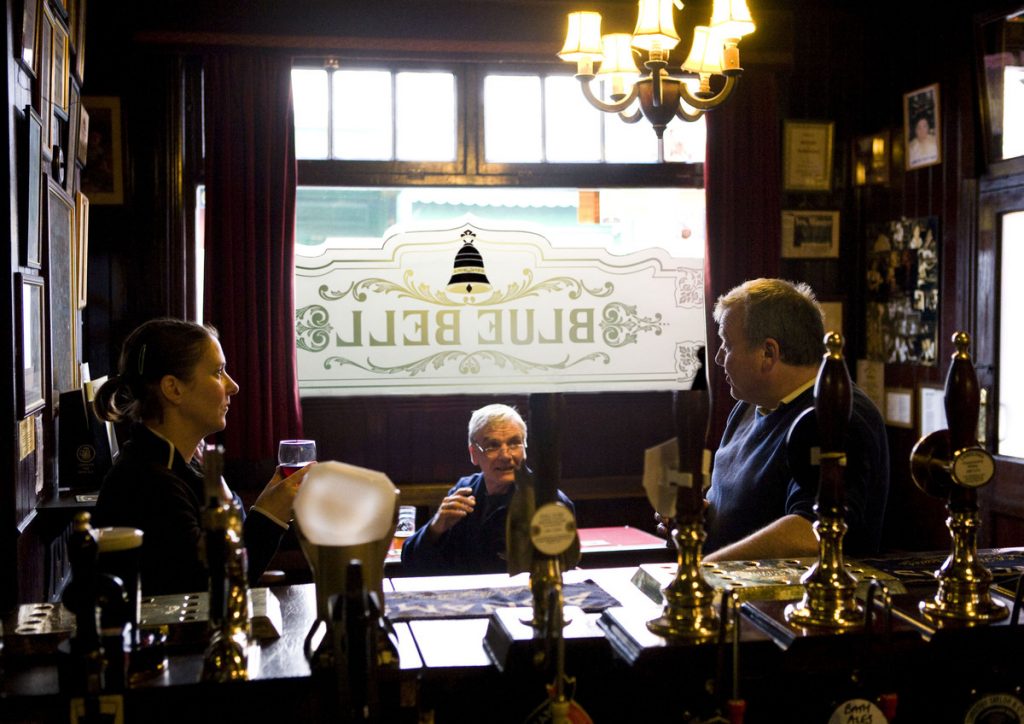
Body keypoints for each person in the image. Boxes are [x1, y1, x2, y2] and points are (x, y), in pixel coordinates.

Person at [92, 318, 312, 595]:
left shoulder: (187, 462)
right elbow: (210, 590)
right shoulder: (148, 482)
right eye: (218, 372)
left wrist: (268, 505)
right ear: (173, 389)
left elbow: (228, 551)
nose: (233, 386)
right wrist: (270, 516)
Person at [699, 278, 889, 562]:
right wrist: (701, 521)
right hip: (732, 592)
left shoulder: (835, 415)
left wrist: (705, 570)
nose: (718, 358)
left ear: (768, 353)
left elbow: (810, 533)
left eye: (726, 345)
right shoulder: (748, 406)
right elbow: (743, 509)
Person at [400, 403, 574, 575]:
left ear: (525, 449)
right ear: (473, 454)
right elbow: (412, 563)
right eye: (493, 445)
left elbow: (559, 575)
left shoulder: (548, 502)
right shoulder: (465, 491)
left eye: (514, 443)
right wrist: (435, 528)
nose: (506, 456)